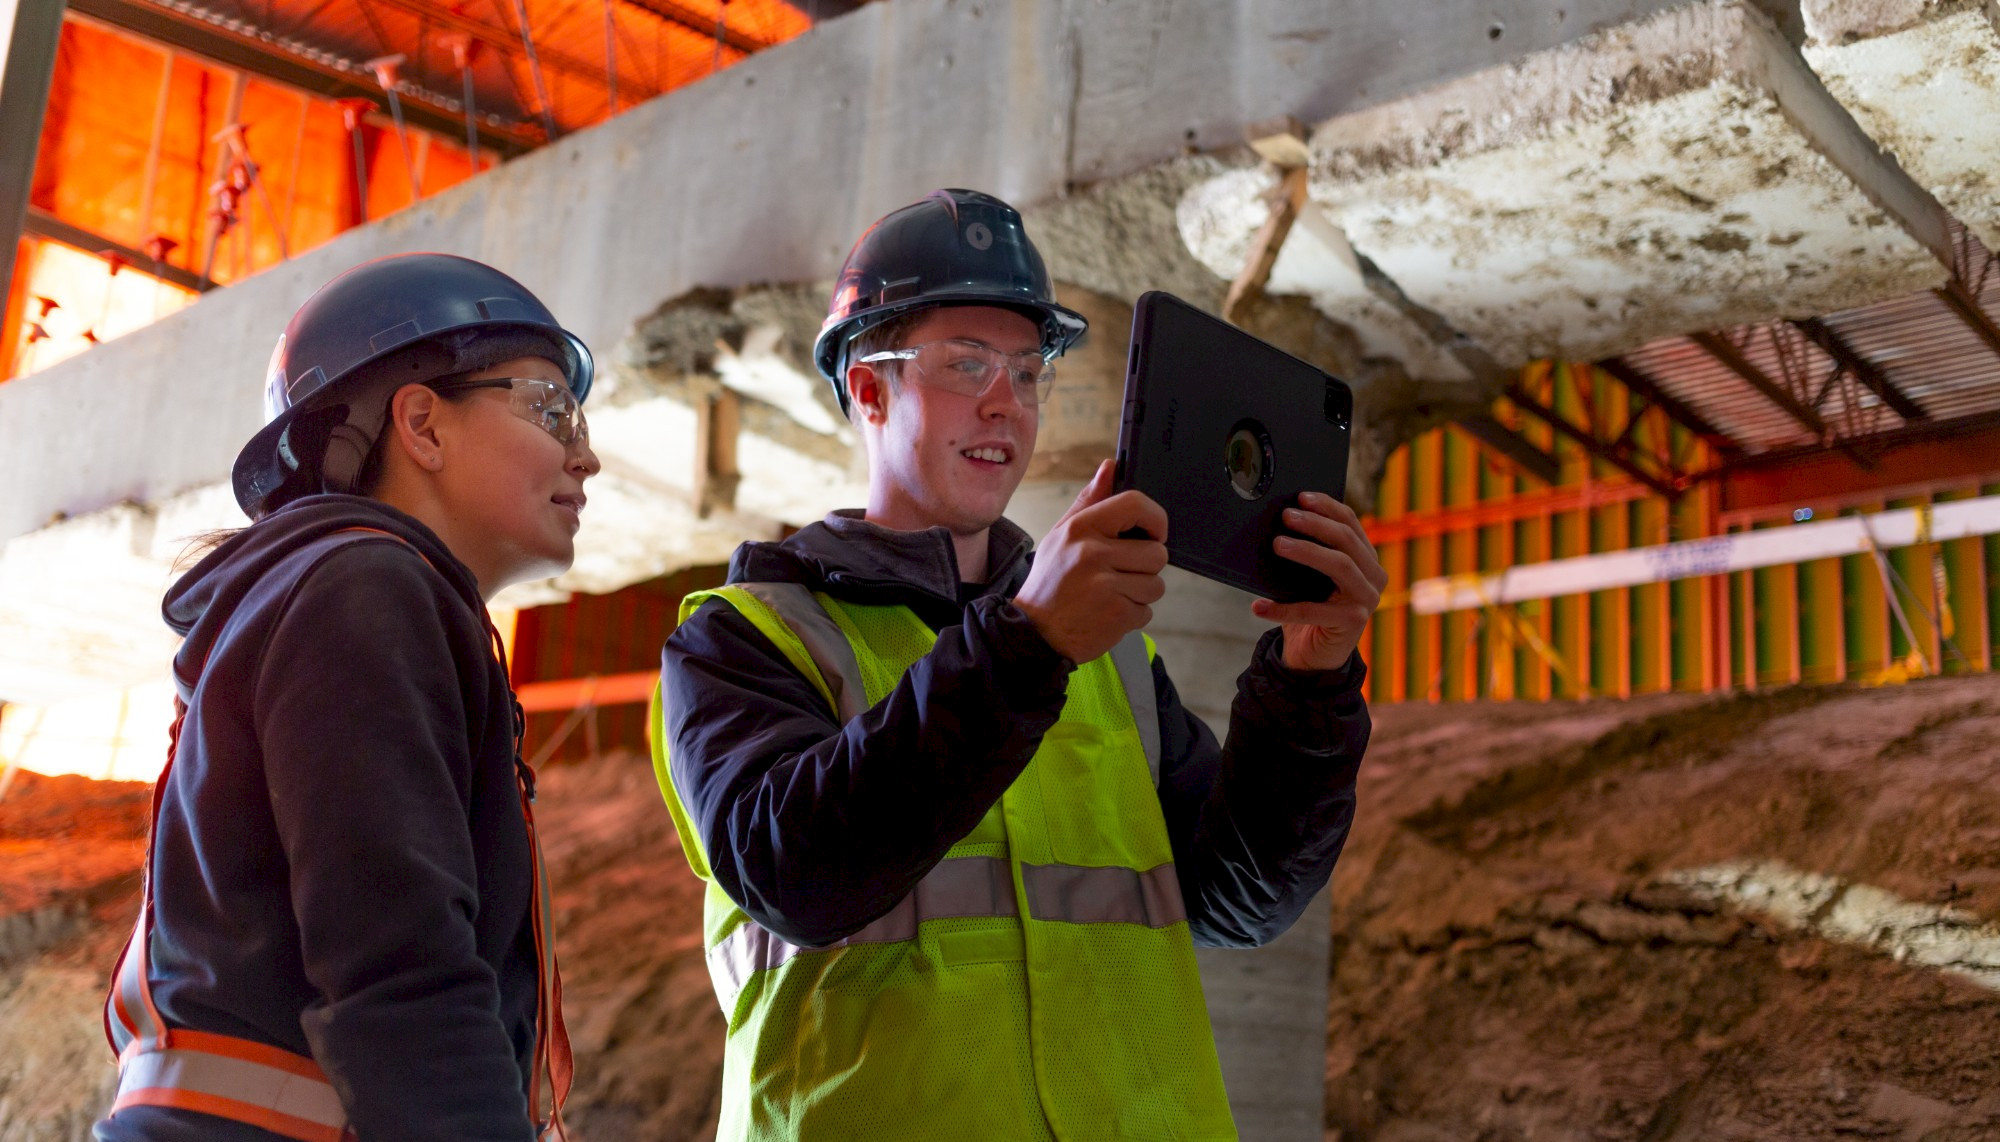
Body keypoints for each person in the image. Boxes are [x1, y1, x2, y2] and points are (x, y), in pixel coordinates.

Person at [652, 188, 1384, 1141]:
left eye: (1027, 370)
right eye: (965, 364)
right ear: (867, 390)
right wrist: (1028, 642)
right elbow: (797, 875)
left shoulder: (1110, 653)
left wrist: (1308, 682)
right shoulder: (748, 637)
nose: (1007, 398)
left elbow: (1237, 899)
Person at [96, 253, 599, 1142]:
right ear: (422, 424)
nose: (584, 455)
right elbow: (402, 975)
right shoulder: (364, 590)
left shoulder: (334, 596)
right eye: (549, 408)